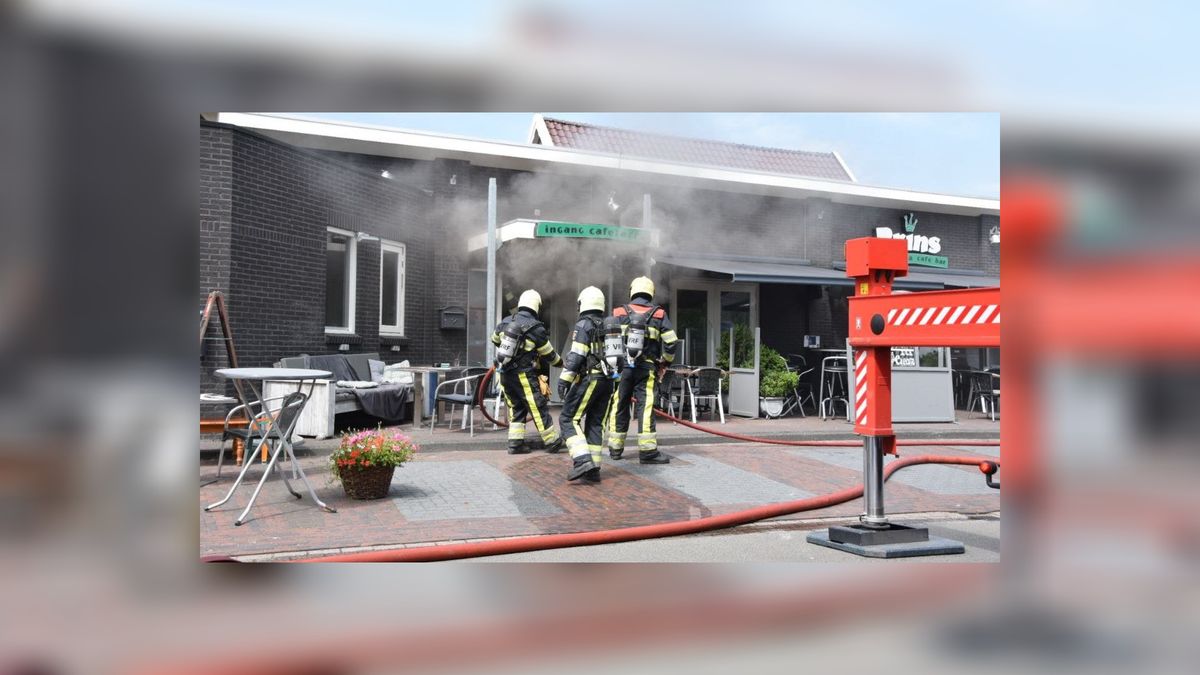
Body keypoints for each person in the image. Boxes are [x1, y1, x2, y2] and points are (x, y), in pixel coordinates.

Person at [606, 276, 678, 463]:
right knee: (644, 407)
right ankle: (647, 452)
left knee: (619, 404)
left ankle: (615, 448)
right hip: (646, 368)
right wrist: (665, 363)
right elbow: (671, 342)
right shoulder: (659, 314)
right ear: (651, 292)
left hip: (622, 368)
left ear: (632, 291)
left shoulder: (619, 311)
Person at [491, 289, 564, 454]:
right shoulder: (536, 328)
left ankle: (515, 444)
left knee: (516, 408)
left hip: (505, 374)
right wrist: (561, 363)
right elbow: (549, 354)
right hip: (523, 376)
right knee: (537, 407)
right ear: (535, 306)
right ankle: (552, 441)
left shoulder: (505, 322)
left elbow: (494, 340)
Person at [558, 286, 614, 483]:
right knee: (595, 422)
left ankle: (582, 461)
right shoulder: (608, 325)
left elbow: (576, 356)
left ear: (583, 303)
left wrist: (564, 380)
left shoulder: (584, 325)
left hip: (590, 379)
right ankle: (594, 469)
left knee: (567, 419)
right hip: (608, 383)